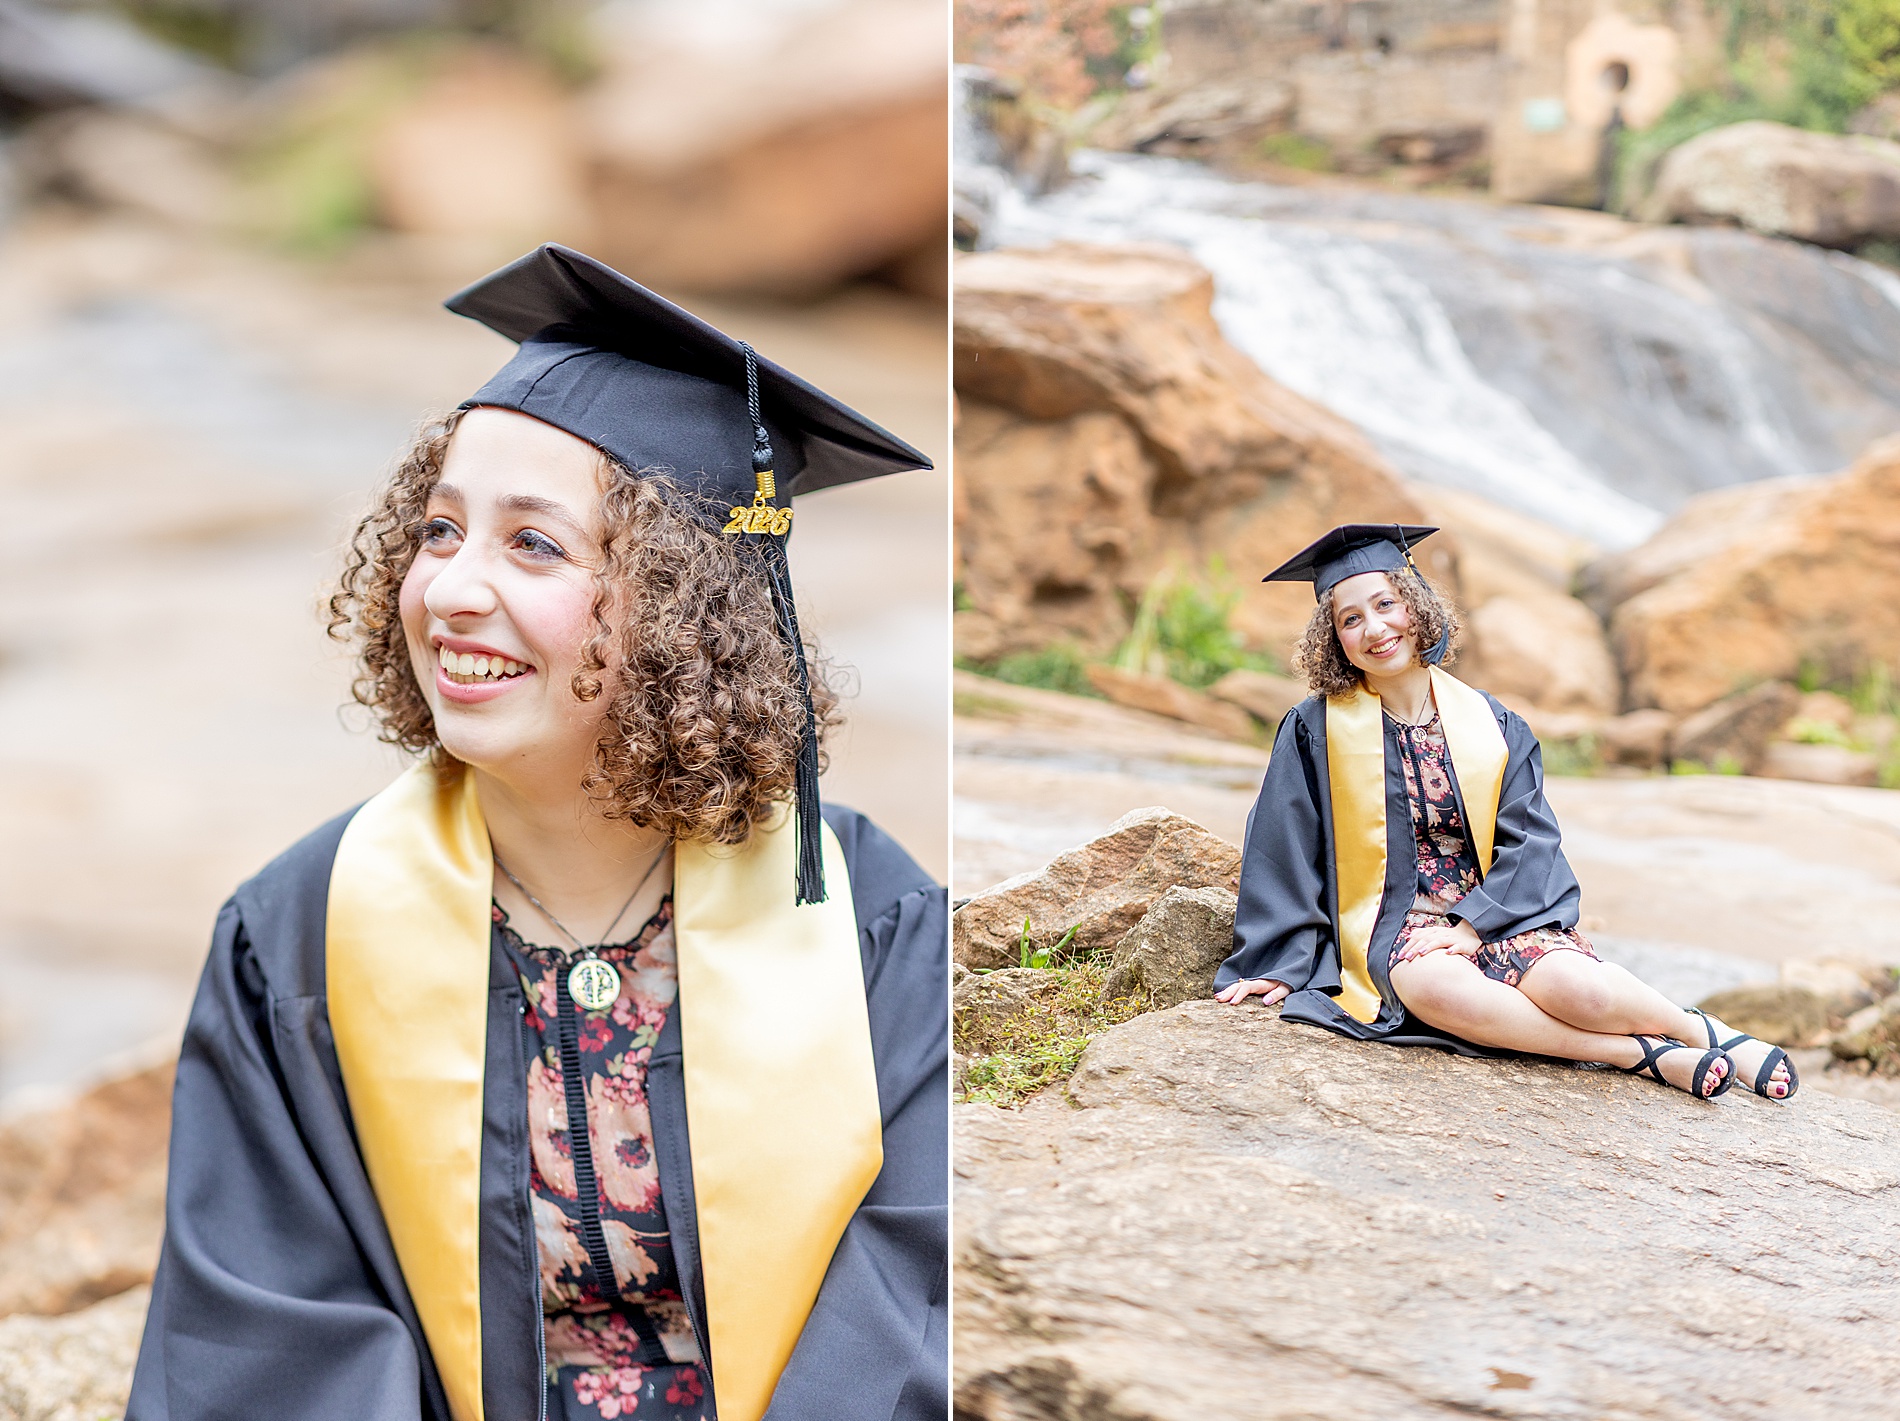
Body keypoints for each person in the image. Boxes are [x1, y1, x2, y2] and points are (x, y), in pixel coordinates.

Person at [129, 246, 948, 1421]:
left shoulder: (866, 919)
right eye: (438, 529)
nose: (453, 589)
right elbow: (268, 1335)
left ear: (683, 607)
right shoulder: (297, 930)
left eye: (533, 543)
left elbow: (914, 1295)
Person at [1212, 524, 1795, 1104]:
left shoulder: (1491, 724)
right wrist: (1280, 961)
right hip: (1395, 925)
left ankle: (1701, 1030)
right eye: (1351, 618)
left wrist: (1471, 928)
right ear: (1334, 639)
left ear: (1414, 606)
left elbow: (1531, 838)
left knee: (1580, 993)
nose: (1375, 629)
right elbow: (1283, 843)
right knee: (1441, 993)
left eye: (1385, 604)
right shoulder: (1315, 729)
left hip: (1500, 911)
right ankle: (1636, 1053)